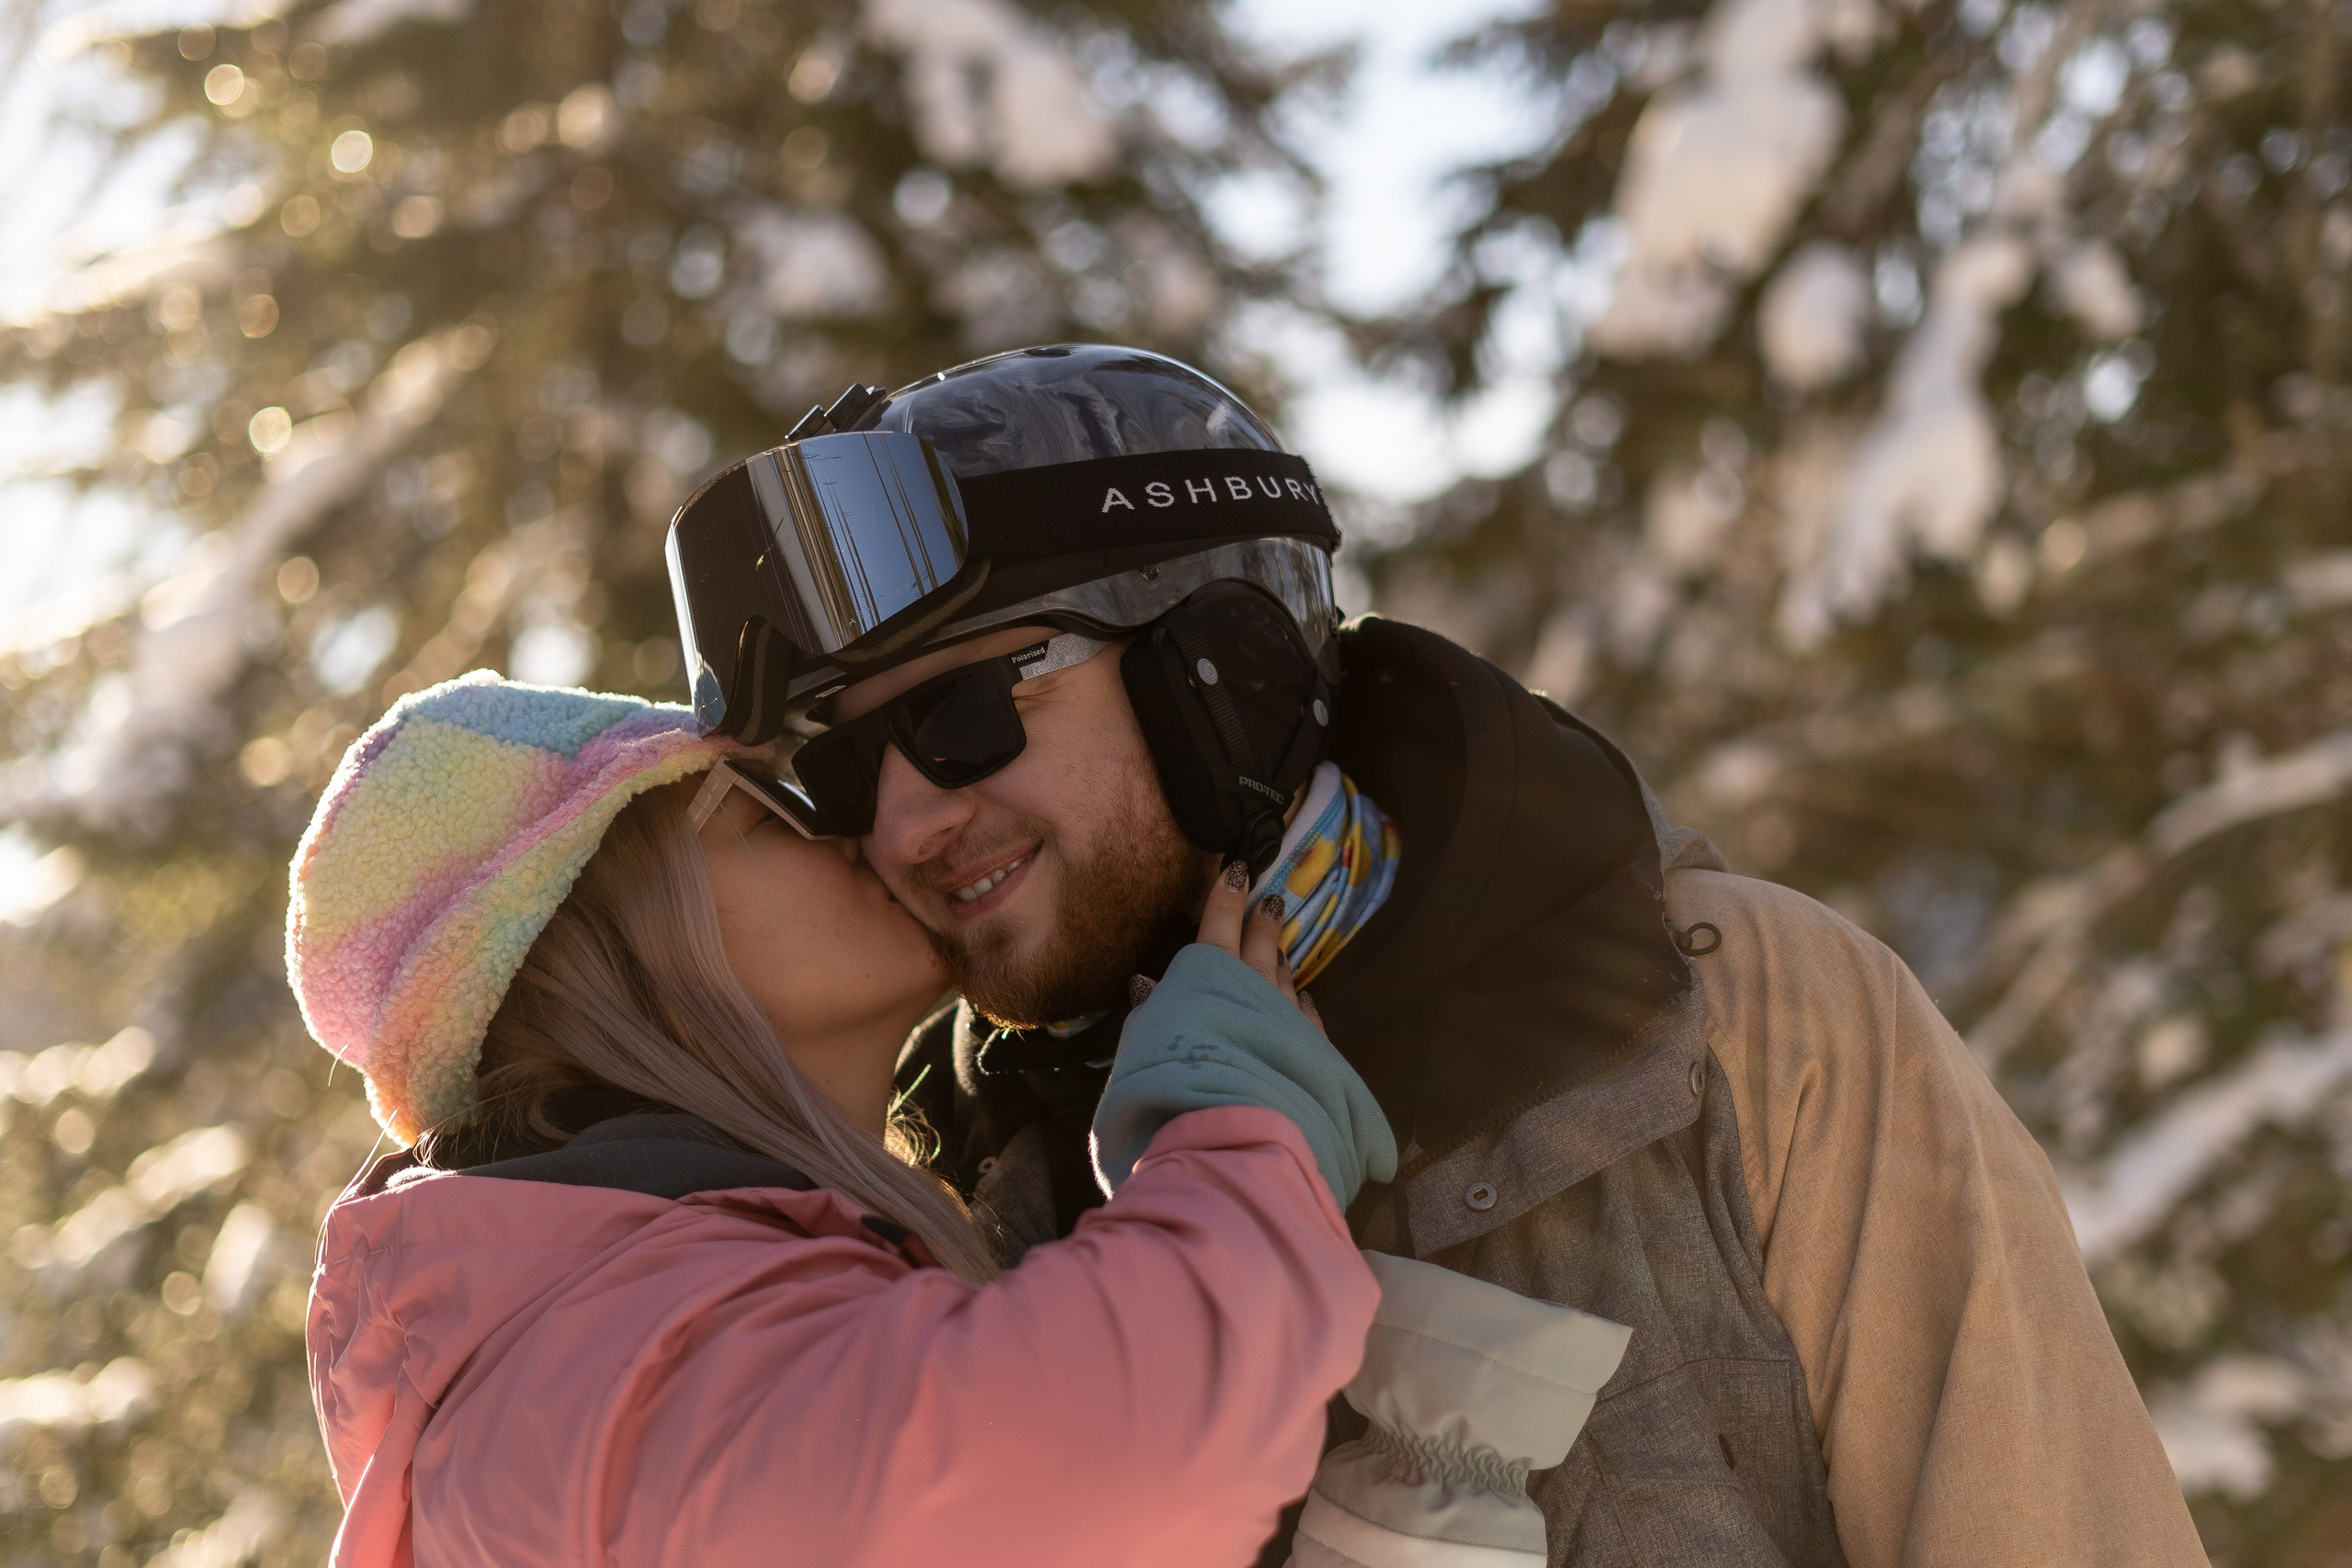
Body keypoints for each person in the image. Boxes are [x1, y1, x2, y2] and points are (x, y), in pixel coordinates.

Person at [667, 344, 2210, 1567]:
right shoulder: (950, 1223)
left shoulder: (1738, 1028)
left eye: (963, 713)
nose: (911, 815)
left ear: (1225, 666)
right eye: (847, 770)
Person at [283, 671, 1396, 1567]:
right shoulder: (593, 1367)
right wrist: (1239, 1127)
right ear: (626, 949)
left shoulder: (590, 1322)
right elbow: (1084, 1472)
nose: (863, 828)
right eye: (771, 815)